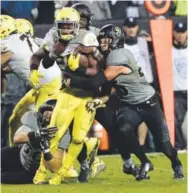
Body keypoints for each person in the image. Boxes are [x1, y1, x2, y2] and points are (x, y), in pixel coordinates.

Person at [66, 24, 184, 180]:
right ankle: (145, 162)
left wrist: (71, 79)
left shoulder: (119, 55)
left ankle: (176, 164)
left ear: (115, 40)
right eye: (101, 40)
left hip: (148, 103)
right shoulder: (111, 56)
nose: (102, 44)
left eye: (106, 40)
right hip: (129, 104)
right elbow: (106, 85)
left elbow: (97, 82)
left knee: (164, 145)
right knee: (123, 129)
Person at [29, 7, 102, 185]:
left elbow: (100, 68)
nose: (67, 30)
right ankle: (42, 171)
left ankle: (87, 159)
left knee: (79, 136)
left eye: (70, 26)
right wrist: (33, 70)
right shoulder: (53, 37)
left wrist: (80, 69)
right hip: (67, 93)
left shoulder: (86, 38)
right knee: (56, 132)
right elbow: (41, 59)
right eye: (63, 26)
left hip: (89, 94)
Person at [1, 99, 77, 184]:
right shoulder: (34, 119)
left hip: (31, 170)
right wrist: (37, 134)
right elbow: (17, 138)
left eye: (52, 111)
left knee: (4, 178)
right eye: (46, 111)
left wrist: (46, 151)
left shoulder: (63, 134)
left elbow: (54, 168)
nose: (48, 114)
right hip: (18, 154)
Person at [1, 15, 39, 147]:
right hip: (39, 88)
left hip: (45, 89)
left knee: (46, 127)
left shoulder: (9, 44)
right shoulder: (32, 43)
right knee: (14, 120)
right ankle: (14, 154)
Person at [172, 21, 187, 149]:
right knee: (177, 121)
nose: (181, 35)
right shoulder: (167, 49)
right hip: (177, 91)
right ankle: (180, 146)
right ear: (173, 33)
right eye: (178, 32)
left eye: (183, 32)